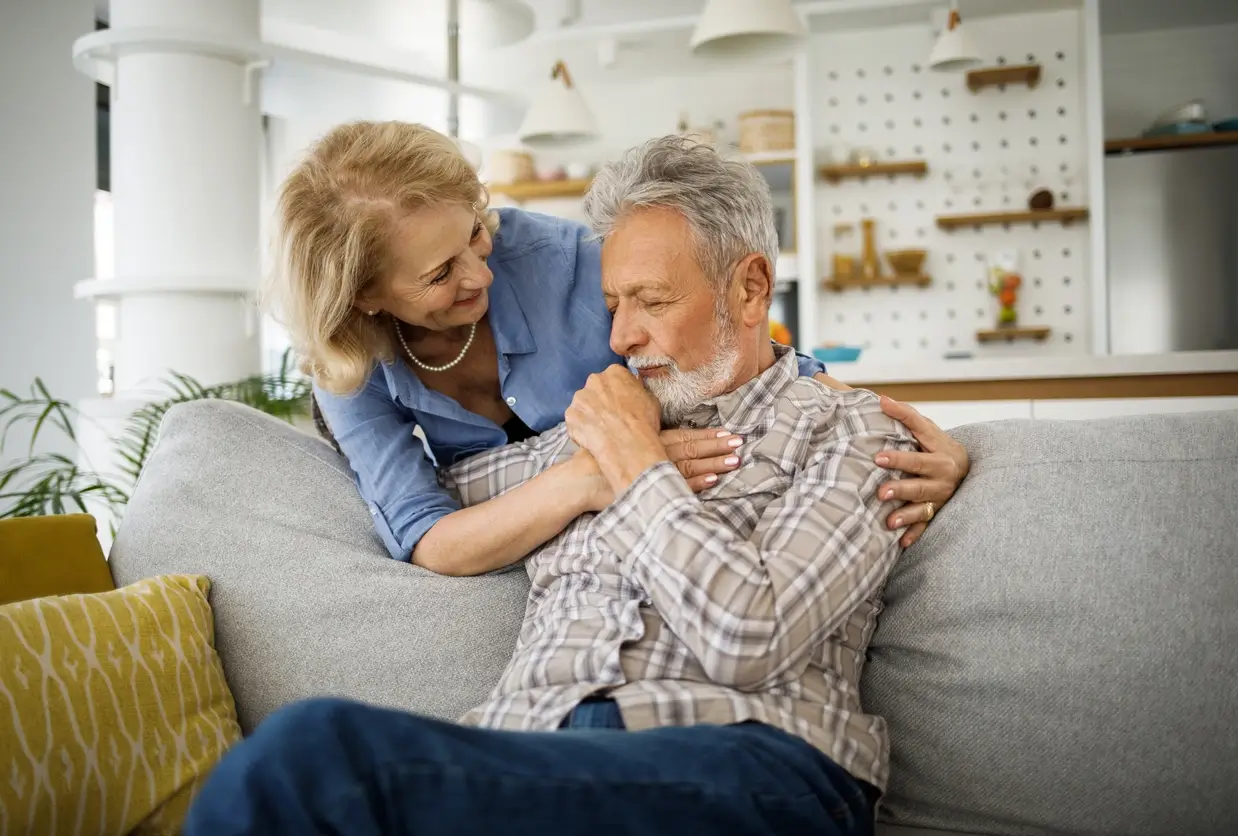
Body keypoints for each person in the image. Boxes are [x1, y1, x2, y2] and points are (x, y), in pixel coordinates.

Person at [186, 137, 929, 836]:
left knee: (308, 758)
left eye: (652, 301)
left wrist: (636, 467)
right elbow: (433, 519)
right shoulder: (585, 433)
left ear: (750, 287)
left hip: (751, 757)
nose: (619, 339)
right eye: (613, 307)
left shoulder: (849, 433)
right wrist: (593, 464)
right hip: (533, 748)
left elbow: (752, 641)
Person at [268, 121, 969, 576]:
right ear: (364, 297)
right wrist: (592, 477)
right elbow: (430, 541)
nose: (479, 273)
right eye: (438, 273)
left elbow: (737, 350)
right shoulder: (349, 363)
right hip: (542, 569)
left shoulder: (565, 258)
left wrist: (901, 433)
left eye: (475, 235)